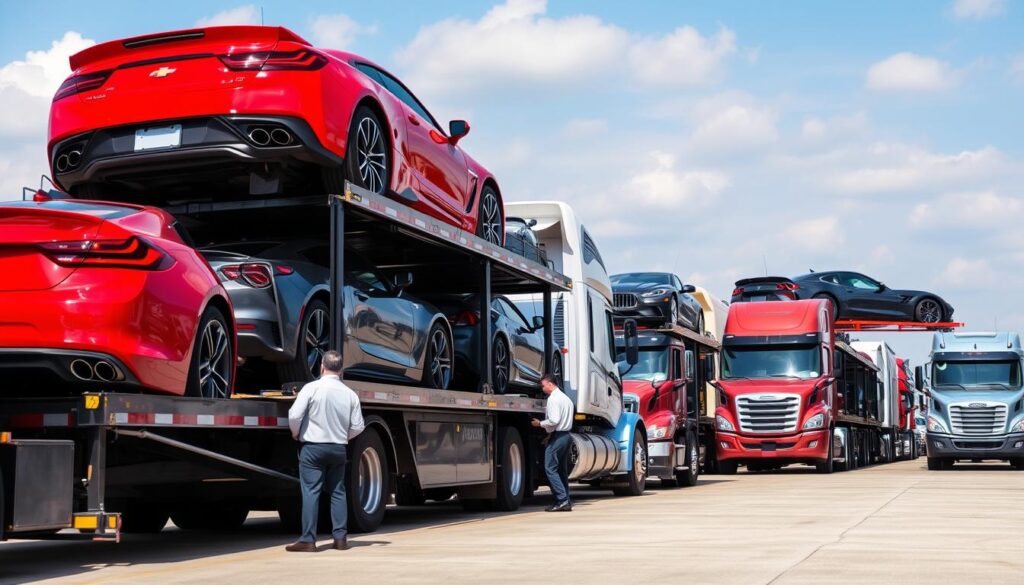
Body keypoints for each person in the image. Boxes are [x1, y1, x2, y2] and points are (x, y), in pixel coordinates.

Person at [285, 350, 365, 552]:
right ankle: (340, 539)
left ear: (322, 366)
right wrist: (342, 437)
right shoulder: (350, 394)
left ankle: (308, 540)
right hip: (338, 448)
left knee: (311, 492)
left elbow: (295, 415)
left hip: (313, 447)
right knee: (338, 492)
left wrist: (296, 433)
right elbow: (358, 426)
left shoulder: (311, 388)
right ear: (341, 370)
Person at [531, 374, 575, 512]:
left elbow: (554, 420)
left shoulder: (553, 399)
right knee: (561, 470)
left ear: (550, 384)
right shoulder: (566, 398)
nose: (542, 388)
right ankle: (566, 499)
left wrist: (540, 424)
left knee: (550, 468)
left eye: (543, 385)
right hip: (566, 435)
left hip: (559, 436)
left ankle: (562, 500)